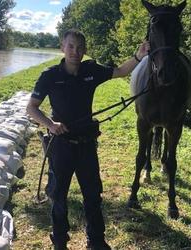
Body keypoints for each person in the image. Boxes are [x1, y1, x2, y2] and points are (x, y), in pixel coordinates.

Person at [26, 29, 149, 250]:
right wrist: (50, 125)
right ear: (62, 47)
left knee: (93, 195)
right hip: (61, 146)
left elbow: (120, 71)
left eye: (80, 47)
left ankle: (96, 240)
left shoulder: (91, 71)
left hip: (86, 146)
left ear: (85, 50)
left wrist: (139, 56)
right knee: (59, 196)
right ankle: (60, 241)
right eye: (71, 46)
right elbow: (31, 108)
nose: (76, 51)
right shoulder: (49, 75)